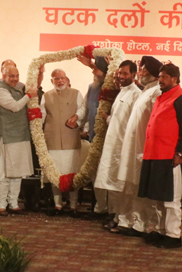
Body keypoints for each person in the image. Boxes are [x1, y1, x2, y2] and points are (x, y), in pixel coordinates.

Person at [115, 56, 162, 237]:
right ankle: (133, 222)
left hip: (143, 148)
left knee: (141, 188)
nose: (140, 72)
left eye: (143, 70)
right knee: (131, 186)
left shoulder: (156, 92)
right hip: (133, 146)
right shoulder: (146, 91)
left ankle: (144, 224)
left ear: (152, 74)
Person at [138, 63, 182, 248]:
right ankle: (160, 230)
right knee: (156, 196)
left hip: (170, 155)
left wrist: (179, 152)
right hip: (154, 154)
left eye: (164, 77)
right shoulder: (161, 97)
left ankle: (173, 234)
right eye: (160, 77)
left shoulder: (179, 98)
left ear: (174, 79)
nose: (160, 80)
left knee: (171, 197)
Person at [94, 60, 142, 231]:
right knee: (113, 184)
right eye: (120, 73)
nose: (121, 77)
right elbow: (119, 121)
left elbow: (133, 124)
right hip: (113, 145)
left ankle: (124, 219)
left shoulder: (136, 94)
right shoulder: (122, 92)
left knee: (123, 185)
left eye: (125, 74)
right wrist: (107, 117)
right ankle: (115, 215)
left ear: (134, 75)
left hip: (124, 147)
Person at [67, 56, 110, 218]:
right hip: (93, 139)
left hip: (108, 141)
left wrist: (92, 63)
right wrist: (76, 119)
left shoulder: (112, 89)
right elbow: (85, 107)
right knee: (94, 175)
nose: (93, 72)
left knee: (105, 174)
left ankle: (109, 210)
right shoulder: (92, 87)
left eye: (95, 69)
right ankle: (100, 208)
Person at [0, 66, 37, 216]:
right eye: (11, 76)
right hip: (6, 137)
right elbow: (15, 106)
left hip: (20, 135)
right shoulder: (0, 90)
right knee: (3, 174)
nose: (15, 79)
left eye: (17, 75)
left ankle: (14, 203)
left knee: (18, 173)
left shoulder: (20, 87)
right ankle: (1, 205)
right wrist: (29, 96)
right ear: (3, 76)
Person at [40, 69, 83, 217]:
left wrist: (76, 118)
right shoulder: (46, 96)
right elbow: (42, 115)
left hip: (71, 139)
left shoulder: (76, 93)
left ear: (67, 79)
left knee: (72, 173)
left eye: (62, 78)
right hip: (52, 141)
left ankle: (73, 206)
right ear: (51, 81)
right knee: (55, 174)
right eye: (56, 79)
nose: (60, 81)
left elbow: (82, 110)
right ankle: (58, 205)